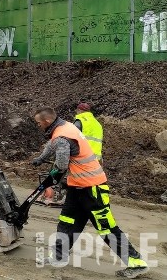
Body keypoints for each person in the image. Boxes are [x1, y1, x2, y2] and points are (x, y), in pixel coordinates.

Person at [30, 107, 147, 278]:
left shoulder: (62, 135)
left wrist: (51, 180)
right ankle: (58, 256)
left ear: (47, 121)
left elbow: (61, 164)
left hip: (92, 189)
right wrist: (40, 159)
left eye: (38, 123)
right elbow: (52, 145)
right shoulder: (65, 127)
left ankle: (137, 263)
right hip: (77, 187)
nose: (38, 125)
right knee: (67, 222)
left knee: (106, 228)